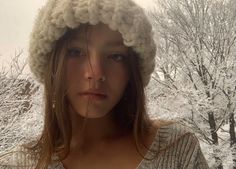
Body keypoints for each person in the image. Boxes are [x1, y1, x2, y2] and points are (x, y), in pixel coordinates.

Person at [0, 0, 209, 168]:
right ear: (50, 64)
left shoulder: (178, 150)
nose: (95, 73)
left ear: (132, 70)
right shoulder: (16, 164)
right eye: (75, 52)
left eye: (116, 56)